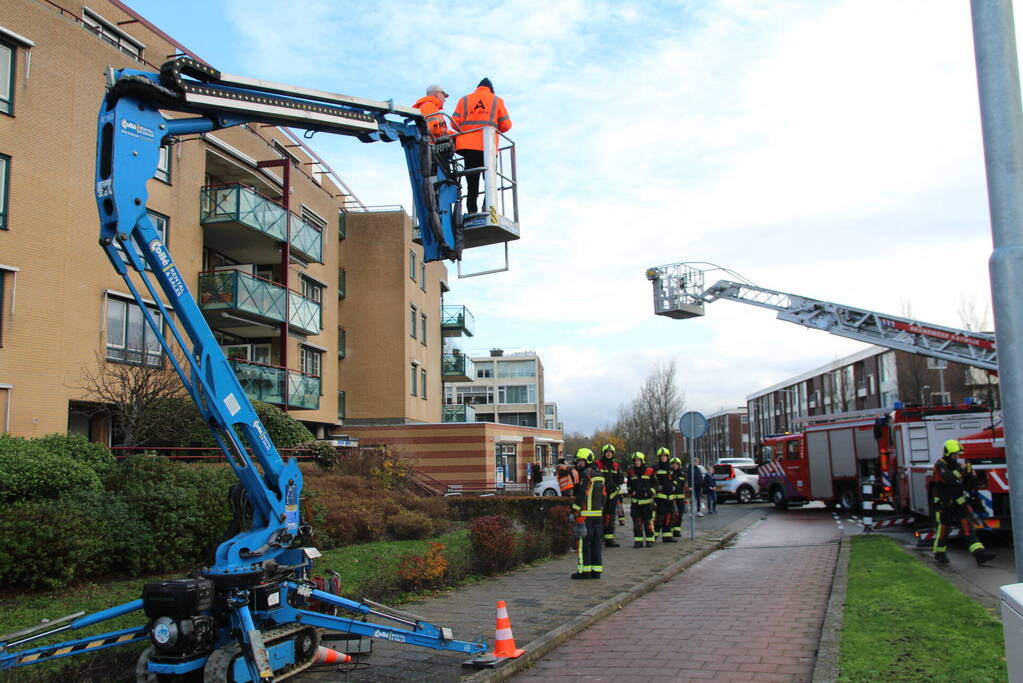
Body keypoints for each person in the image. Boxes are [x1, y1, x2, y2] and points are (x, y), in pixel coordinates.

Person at [451, 77, 512, 214]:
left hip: (467, 147)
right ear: (491, 89)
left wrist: (468, 130)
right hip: (487, 147)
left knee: (472, 183)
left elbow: (454, 123)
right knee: (490, 182)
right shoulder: (496, 100)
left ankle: (472, 211)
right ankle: (488, 208)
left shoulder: (464, 100)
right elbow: (507, 125)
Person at [932, 439, 996, 565]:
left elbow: (968, 484)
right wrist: (961, 471)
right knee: (944, 529)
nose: (957, 457)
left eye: (958, 455)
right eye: (955, 454)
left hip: (959, 503)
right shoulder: (939, 465)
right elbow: (947, 479)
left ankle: (980, 554)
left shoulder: (957, 465)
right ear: (948, 453)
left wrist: (970, 474)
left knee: (968, 528)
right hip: (944, 504)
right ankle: (939, 552)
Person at [571, 448, 606, 579]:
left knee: (583, 544)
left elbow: (581, 495)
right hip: (597, 515)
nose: (577, 464)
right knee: (596, 543)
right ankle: (596, 571)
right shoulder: (600, 474)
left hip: (585, 516)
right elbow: (604, 496)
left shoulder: (586, 474)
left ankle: (584, 571)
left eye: (579, 461)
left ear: (586, 461)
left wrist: (574, 510)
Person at [596, 444, 622, 547]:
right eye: (607, 452)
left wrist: (617, 484)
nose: (609, 454)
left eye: (610, 452)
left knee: (610, 517)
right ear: (603, 453)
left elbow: (620, 477)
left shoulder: (616, 465)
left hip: (612, 495)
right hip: (600, 495)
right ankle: (599, 538)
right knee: (600, 517)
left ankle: (609, 539)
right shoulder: (598, 464)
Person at [627, 452, 655, 548]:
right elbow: (629, 485)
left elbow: (655, 484)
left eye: (639, 460)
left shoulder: (650, 471)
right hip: (635, 503)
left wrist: (650, 491)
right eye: (635, 461)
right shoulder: (631, 472)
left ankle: (649, 540)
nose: (637, 462)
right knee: (636, 523)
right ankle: (638, 541)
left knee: (647, 522)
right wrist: (631, 491)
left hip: (647, 503)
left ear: (642, 461)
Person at [653, 447, 676, 543]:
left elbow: (674, 479)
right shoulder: (655, 468)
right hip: (660, 498)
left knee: (669, 516)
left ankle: (667, 536)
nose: (663, 458)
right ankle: (654, 536)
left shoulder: (670, 468)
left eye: (665, 456)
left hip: (670, 497)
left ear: (668, 457)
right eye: (661, 456)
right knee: (659, 517)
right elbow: (652, 480)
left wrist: (674, 486)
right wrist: (657, 488)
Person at [669, 457, 685, 537]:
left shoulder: (682, 474)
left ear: (679, 465)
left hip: (680, 498)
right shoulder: (670, 474)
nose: (675, 466)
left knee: (680, 514)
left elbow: (683, 485)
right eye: (673, 464)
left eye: (676, 464)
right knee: (672, 515)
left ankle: (677, 530)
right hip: (672, 498)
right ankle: (671, 530)